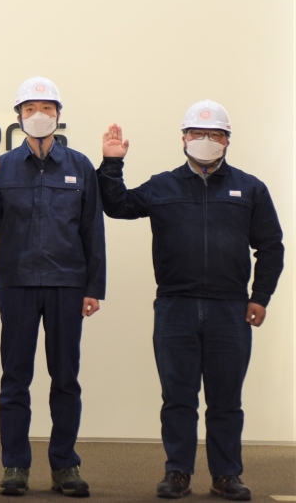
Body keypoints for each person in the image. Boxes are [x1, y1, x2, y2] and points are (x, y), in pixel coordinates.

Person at [96, 101, 283, 501]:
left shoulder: (250, 188)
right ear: (183, 138)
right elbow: (118, 206)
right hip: (175, 306)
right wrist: (112, 163)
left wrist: (260, 296)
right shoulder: (163, 185)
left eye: (215, 134)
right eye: (197, 133)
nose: (205, 140)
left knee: (226, 400)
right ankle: (177, 472)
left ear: (227, 140)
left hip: (230, 308)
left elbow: (271, 246)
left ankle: (226, 475)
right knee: (178, 398)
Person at [0, 76, 105, 497]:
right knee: (15, 378)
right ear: (18, 117)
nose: (39, 115)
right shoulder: (3, 165)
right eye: (30, 109)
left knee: (66, 378)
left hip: (68, 284)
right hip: (17, 284)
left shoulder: (80, 166)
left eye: (46, 108)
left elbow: (93, 230)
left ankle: (65, 465)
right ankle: (15, 465)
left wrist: (94, 287)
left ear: (58, 115)